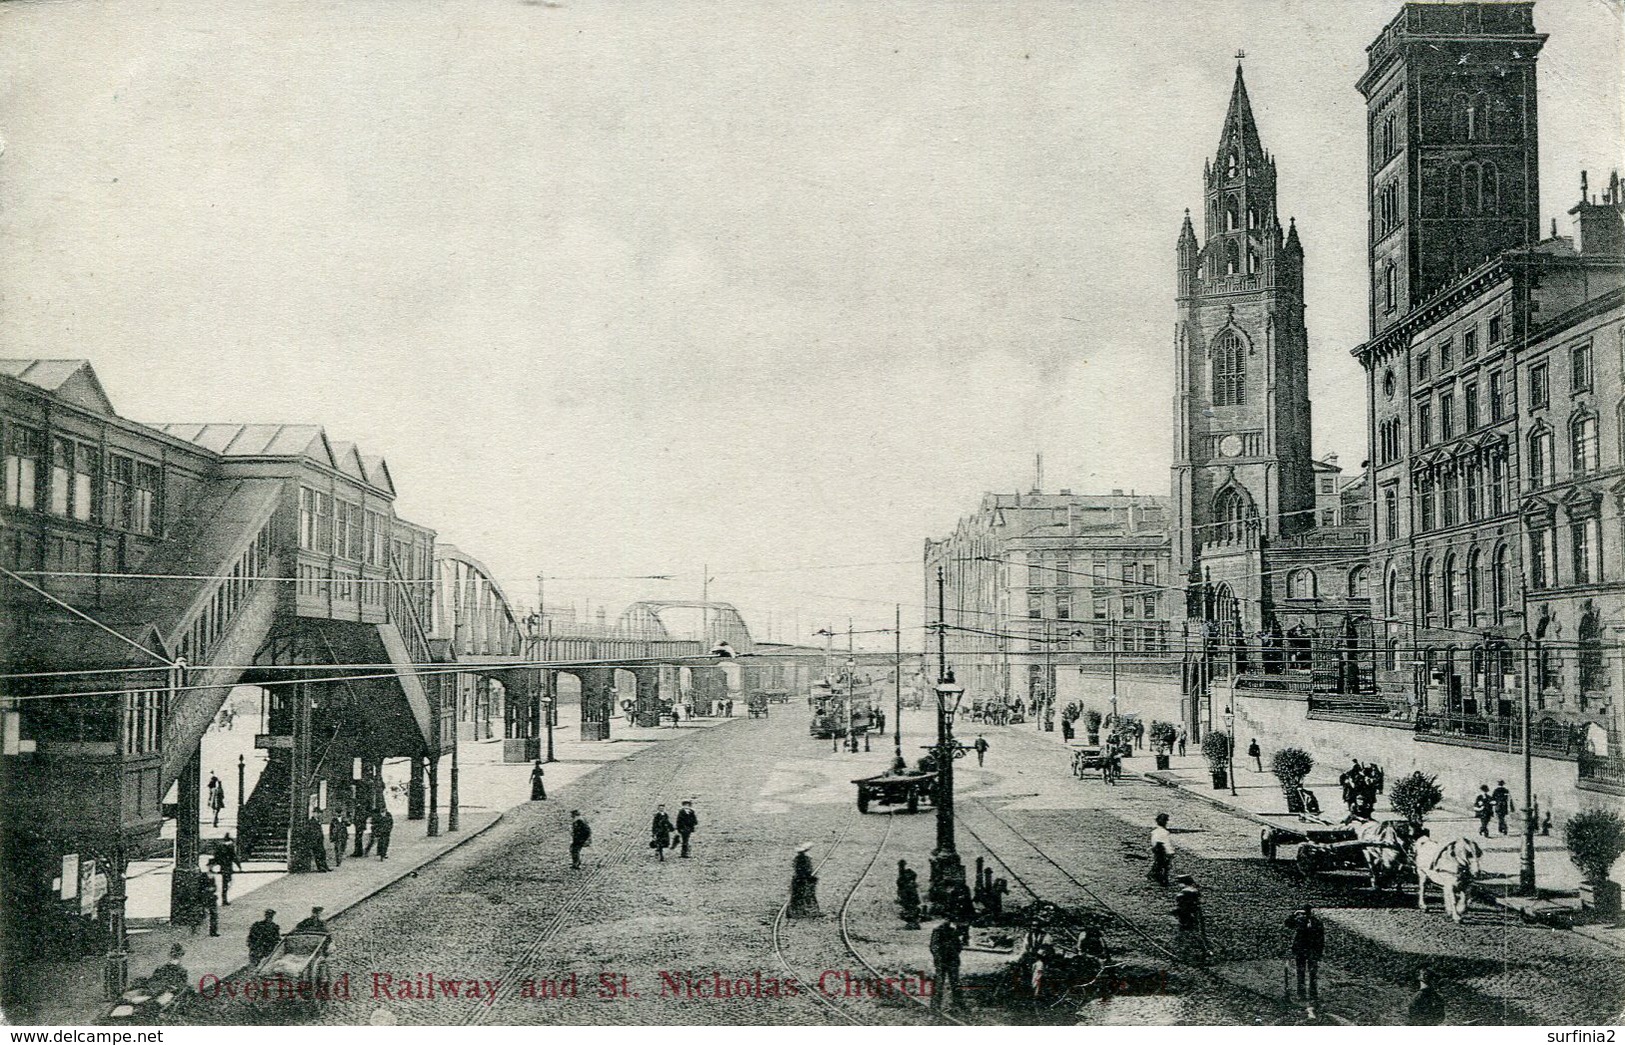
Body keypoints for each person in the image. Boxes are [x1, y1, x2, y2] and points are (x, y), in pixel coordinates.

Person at [1284, 905, 1325, 1002]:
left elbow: (1320, 939)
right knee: (1305, 972)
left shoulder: (1312, 922)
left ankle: (1309, 993)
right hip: (1305, 950)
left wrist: (1318, 952)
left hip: (1308, 950)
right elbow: (1288, 923)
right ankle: (1306, 993)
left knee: (1308, 973)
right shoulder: (1307, 922)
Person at [1172, 874, 1210, 961]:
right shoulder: (1191, 893)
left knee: (1192, 934)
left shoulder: (1187, 894)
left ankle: (1196, 954)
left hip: (1189, 917)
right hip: (1189, 916)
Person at [929, 918, 963, 1009]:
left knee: (955, 982)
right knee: (939, 982)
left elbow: (959, 945)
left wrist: (955, 954)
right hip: (942, 960)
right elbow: (933, 946)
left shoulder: (955, 930)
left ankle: (958, 1003)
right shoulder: (938, 930)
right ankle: (935, 1005)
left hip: (952, 960)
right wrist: (938, 957)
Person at [788, 843, 821, 918]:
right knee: (809, 894)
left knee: (796, 895)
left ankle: (795, 911)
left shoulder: (796, 859)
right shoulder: (807, 859)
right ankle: (812, 911)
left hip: (798, 879)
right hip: (805, 879)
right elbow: (808, 870)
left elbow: (795, 868)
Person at [214, 833, 243, 903]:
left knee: (225, 882)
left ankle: (224, 898)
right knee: (227, 882)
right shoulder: (230, 846)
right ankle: (224, 899)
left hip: (223, 866)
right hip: (228, 866)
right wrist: (239, 867)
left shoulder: (220, 846)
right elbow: (234, 857)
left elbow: (216, 857)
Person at [1149, 813, 1174, 886]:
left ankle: (1156, 877)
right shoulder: (1164, 832)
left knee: (1159, 863)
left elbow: (1153, 841)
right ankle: (1163, 880)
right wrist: (1170, 852)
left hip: (1156, 849)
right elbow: (1166, 843)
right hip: (1161, 849)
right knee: (1164, 865)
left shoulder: (1154, 831)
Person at [896, 860, 921, 929]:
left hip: (909, 899)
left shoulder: (908, 885)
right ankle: (913, 923)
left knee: (909, 911)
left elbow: (900, 880)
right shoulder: (908, 883)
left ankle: (913, 924)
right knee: (908, 910)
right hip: (908, 899)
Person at [198, 864, 221, 937]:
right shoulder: (203, 876)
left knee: (214, 913)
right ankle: (210, 930)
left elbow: (215, 887)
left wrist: (213, 889)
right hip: (206, 896)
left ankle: (213, 931)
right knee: (209, 913)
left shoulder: (212, 875)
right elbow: (200, 887)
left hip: (211, 897)